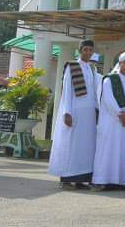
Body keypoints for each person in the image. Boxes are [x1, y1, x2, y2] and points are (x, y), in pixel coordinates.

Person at [49, 39, 98, 189]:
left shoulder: (92, 68)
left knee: (85, 146)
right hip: (75, 111)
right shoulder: (72, 67)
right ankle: (67, 178)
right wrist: (67, 112)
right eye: (85, 50)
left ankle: (80, 179)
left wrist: (97, 110)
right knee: (71, 144)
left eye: (90, 50)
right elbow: (67, 91)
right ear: (80, 51)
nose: (88, 53)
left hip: (88, 114)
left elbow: (94, 92)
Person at [92, 51, 125, 189]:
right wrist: (121, 114)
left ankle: (120, 181)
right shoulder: (109, 80)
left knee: (122, 150)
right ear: (120, 64)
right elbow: (108, 100)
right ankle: (103, 180)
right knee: (107, 149)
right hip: (110, 122)